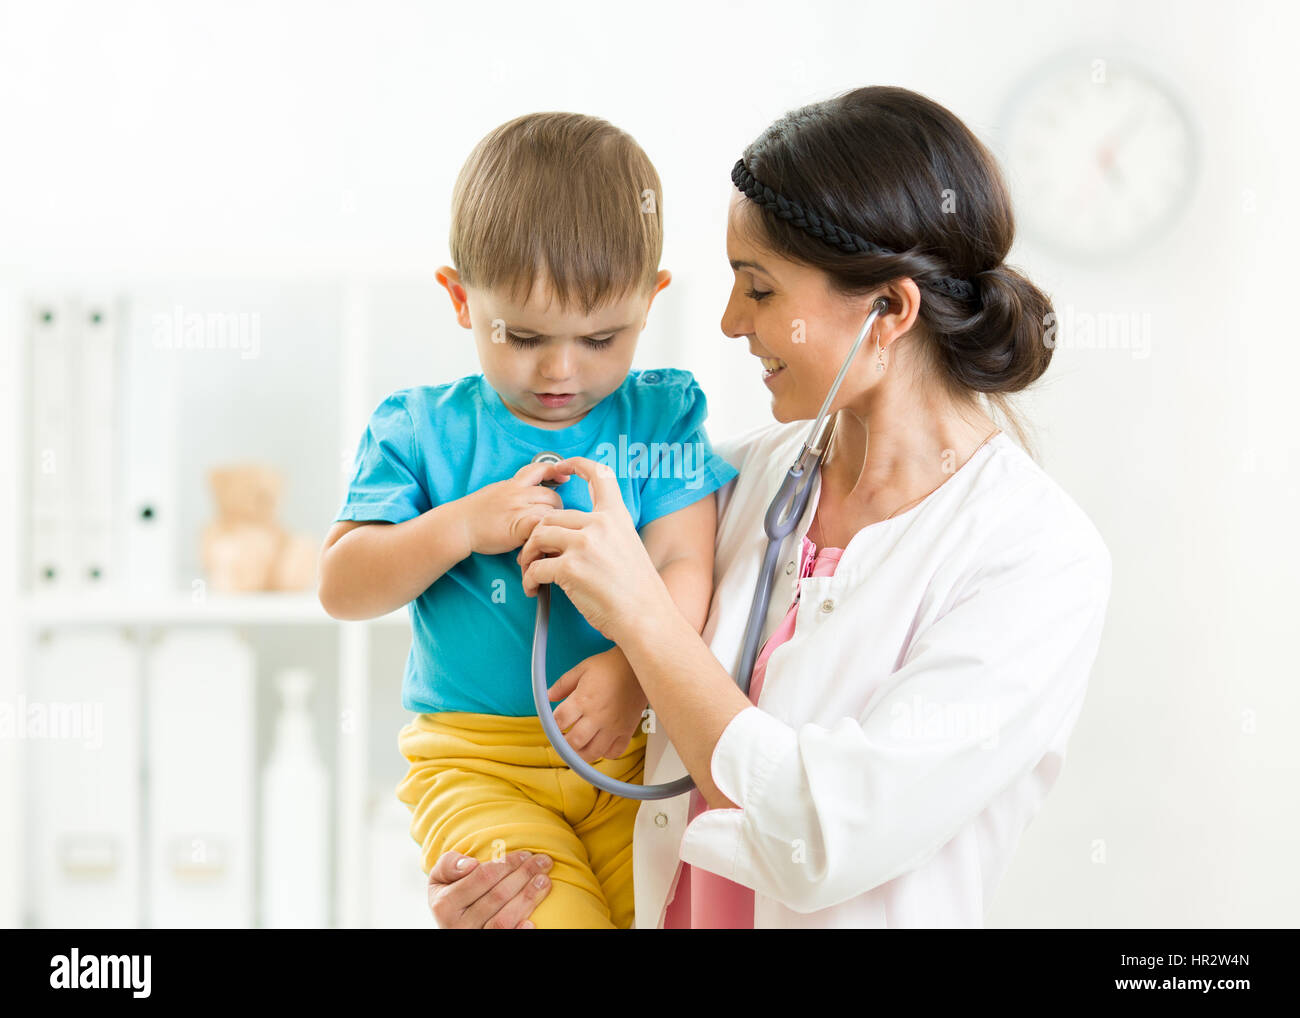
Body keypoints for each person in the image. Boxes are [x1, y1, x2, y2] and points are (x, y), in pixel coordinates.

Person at [425, 85, 1113, 929]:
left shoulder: (1032, 556)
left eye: (758, 290)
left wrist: (644, 620)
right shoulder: (736, 482)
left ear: (889, 310)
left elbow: (826, 839)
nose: (726, 321)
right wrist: (506, 879)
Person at [318, 112, 738, 929]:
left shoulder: (662, 418)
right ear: (459, 299)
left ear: (651, 302)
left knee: (663, 914)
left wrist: (629, 671)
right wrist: (460, 527)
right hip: (478, 766)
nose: (559, 370)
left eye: (600, 337)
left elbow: (687, 566)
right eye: (523, 335)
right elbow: (342, 587)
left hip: (629, 746)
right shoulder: (417, 431)